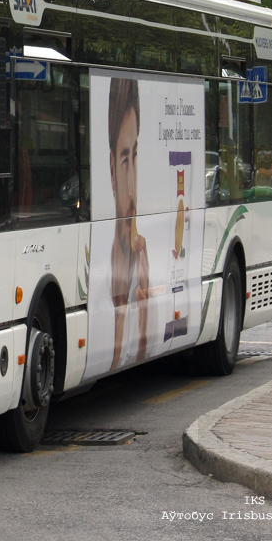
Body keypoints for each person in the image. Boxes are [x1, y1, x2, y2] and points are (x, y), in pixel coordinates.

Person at [107, 77, 150, 371]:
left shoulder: (141, 250)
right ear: (112, 170)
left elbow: (143, 348)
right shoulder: (103, 257)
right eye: (124, 159)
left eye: (134, 155)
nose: (132, 184)